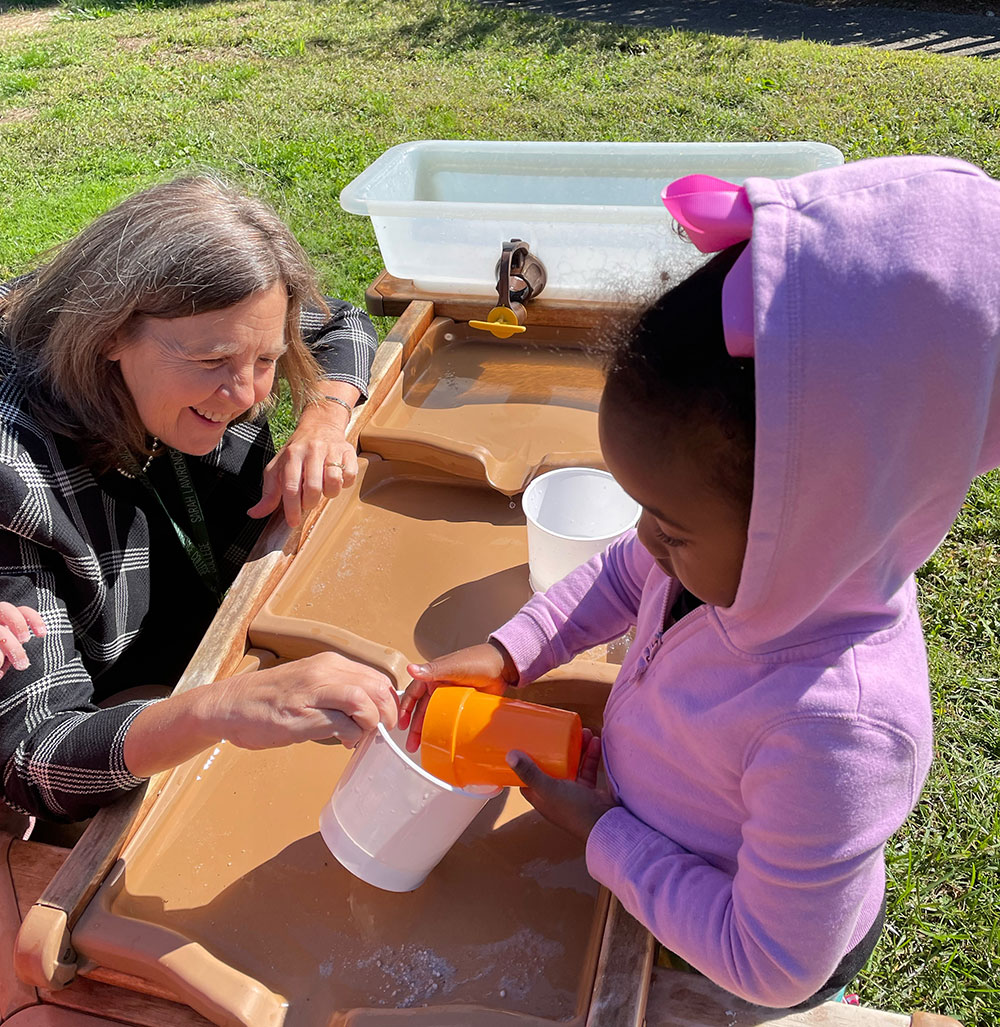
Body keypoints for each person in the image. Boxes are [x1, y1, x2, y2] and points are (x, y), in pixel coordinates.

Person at [401, 155, 1000, 1008]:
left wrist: (607, 834)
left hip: (742, 942)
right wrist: (511, 650)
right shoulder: (728, 558)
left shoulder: (838, 730)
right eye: (642, 505)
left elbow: (767, 958)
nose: (643, 536)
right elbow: (619, 574)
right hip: (655, 842)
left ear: (814, 521)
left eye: (669, 526)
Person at [0, 174, 398, 825]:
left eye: (266, 359)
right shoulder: (12, 476)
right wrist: (221, 707)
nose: (248, 395)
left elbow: (338, 322)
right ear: (108, 333)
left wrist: (325, 415)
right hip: (138, 710)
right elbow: (36, 756)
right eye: (214, 361)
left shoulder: (224, 319)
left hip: (237, 618)